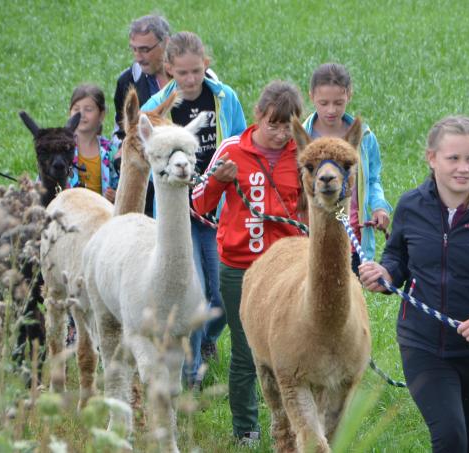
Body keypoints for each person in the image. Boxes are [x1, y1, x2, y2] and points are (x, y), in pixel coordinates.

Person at [359, 116, 469, 453]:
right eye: (453, 158)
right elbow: (397, 257)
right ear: (432, 158)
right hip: (422, 344)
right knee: (450, 438)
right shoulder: (412, 206)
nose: (463, 168)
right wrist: (386, 275)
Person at [192, 80, 305, 446]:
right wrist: (216, 183)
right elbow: (199, 203)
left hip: (287, 269)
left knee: (290, 349)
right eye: (274, 124)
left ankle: (293, 423)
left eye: (288, 125)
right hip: (240, 266)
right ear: (258, 117)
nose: (280, 133)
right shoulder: (232, 150)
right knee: (247, 350)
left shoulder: (302, 153)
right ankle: (246, 430)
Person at [141, 31, 246, 390]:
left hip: (218, 210)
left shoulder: (224, 98)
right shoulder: (155, 110)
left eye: (196, 72)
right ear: (168, 68)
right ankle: (192, 373)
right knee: (195, 292)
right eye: (181, 73)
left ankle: (207, 338)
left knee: (219, 294)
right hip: (177, 213)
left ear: (206, 65)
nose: (189, 80)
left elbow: (240, 143)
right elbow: (147, 159)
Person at [302, 63, 392, 273]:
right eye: (323, 103)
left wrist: (379, 206)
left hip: (352, 236)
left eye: (338, 103)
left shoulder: (364, 137)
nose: (331, 110)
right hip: (312, 233)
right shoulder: (302, 137)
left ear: (349, 95)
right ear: (311, 96)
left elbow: (372, 179)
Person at [112, 14, 171, 144]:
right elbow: (120, 132)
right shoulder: (127, 81)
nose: (138, 57)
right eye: (134, 49)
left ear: (166, 42)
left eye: (144, 50)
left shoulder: (192, 74)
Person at [67, 84, 119, 202]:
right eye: (76, 109)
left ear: (101, 115)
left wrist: (115, 196)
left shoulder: (111, 151)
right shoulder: (60, 149)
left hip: (102, 216)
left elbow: (122, 186)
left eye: (88, 109)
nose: (81, 115)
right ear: (69, 112)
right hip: (68, 216)